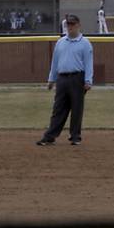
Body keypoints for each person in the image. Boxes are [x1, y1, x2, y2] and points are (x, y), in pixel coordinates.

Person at [37, 14, 93, 146]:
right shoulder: (60, 42)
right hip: (62, 79)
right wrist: (51, 79)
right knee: (58, 108)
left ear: (78, 25)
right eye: (68, 24)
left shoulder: (85, 44)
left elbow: (88, 63)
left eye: (73, 24)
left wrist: (88, 80)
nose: (70, 27)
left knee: (76, 108)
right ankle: (50, 136)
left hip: (77, 78)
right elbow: (55, 62)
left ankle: (75, 137)